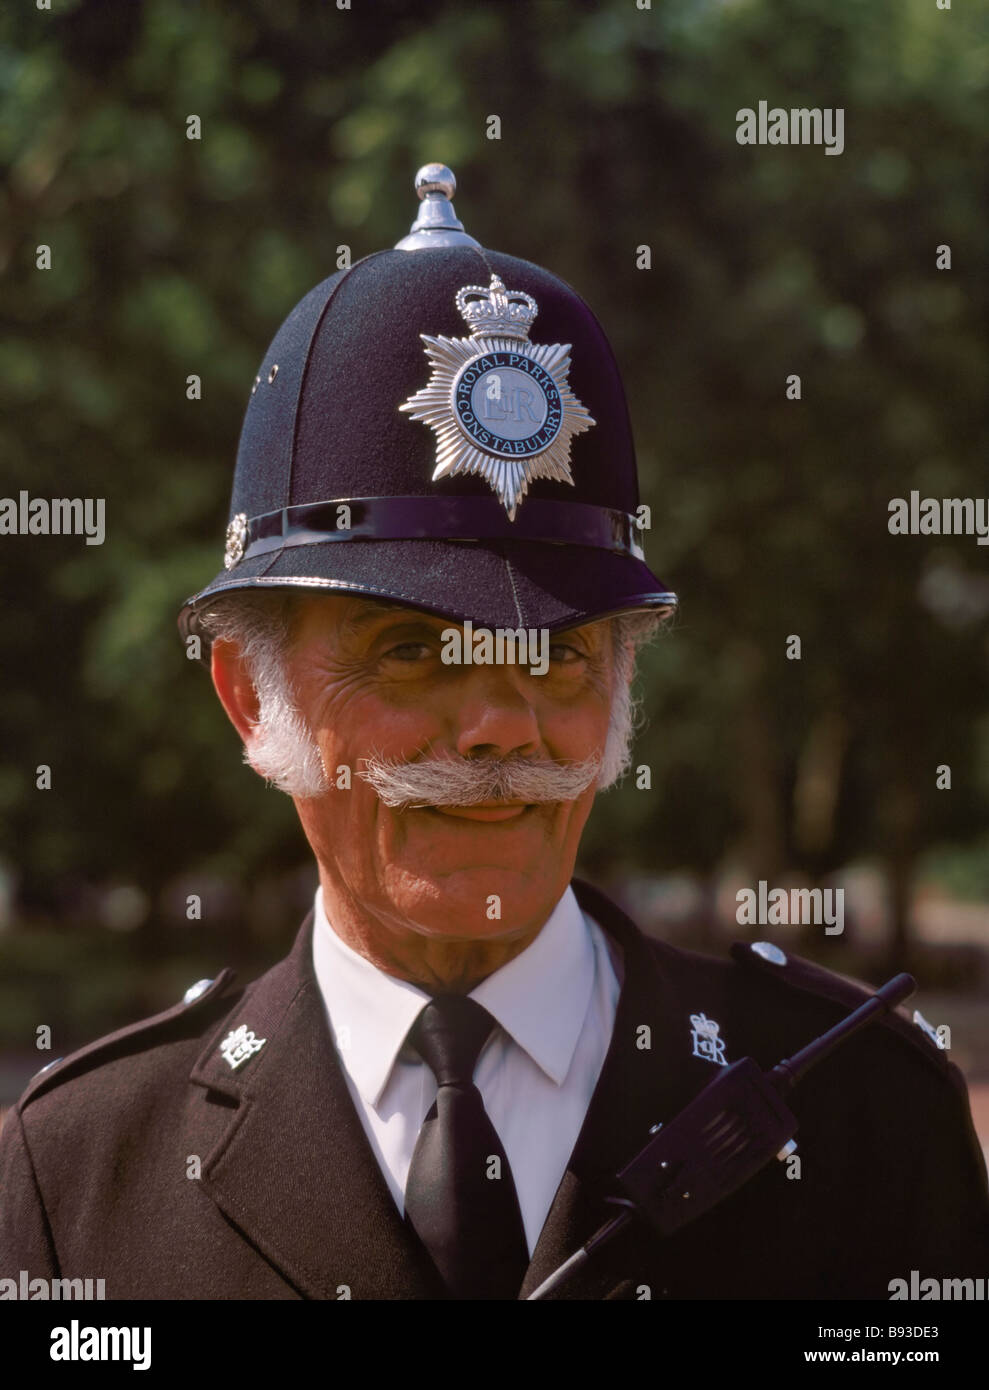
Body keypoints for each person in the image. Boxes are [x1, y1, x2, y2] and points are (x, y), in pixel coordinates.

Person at [1, 167, 986, 1301]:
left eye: (558, 651)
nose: (494, 724)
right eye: (408, 648)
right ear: (246, 692)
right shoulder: (77, 1180)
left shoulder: (862, 1117)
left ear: (620, 685)